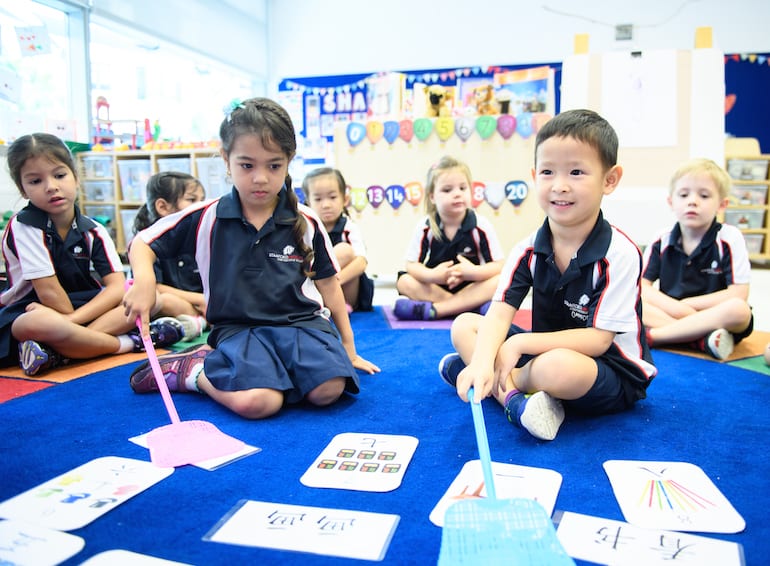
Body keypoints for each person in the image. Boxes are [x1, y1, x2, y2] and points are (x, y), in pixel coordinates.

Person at [123, 97, 380, 420]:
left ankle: (273, 371)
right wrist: (145, 280)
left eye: (274, 166)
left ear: (289, 162)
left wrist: (348, 347)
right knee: (259, 403)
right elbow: (143, 242)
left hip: (302, 324)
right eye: (247, 165)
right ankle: (192, 370)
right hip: (239, 328)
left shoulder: (306, 221)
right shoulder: (207, 216)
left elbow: (329, 285)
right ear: (226, 160)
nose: (260, 178)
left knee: (328, 390)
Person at [438, 109, 657, 441]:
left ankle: (476, 377)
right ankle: (514, 400)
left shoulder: (620, 253)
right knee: (465, 325)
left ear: (609, 180)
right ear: (534, 176)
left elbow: (598, 340)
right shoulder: (527, 248)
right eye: (548, 172)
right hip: (543, 353)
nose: (560, 186)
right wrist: (484, 359)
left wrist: (519, 343)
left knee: (556, 367)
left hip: (607, 371)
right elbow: (499, 313)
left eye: (577, 172)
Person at [0, 134, 184, 376]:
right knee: (38, 322)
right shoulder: (24, 225)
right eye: (35, 181)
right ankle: (127, 343)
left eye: (59, 175)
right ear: (22, 189)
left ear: (75, 177)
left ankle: (58, 352)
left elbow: (116, 287)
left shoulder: (93, 229)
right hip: (34, 308)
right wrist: (63, 323)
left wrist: (70, 323)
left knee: (149, 300)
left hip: (83, 310)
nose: (51, 186)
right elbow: (49, 293)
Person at [641, 158, 753, 360]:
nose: (692, 201)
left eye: (704, 195)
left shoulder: (730, 237)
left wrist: (687, 305)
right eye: (684, 195)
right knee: (632, 300)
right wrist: (675, 307)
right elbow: (642, 286)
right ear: (671, 202)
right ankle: (700, 340)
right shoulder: (661, 238)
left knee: (740, 310)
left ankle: (656, 336)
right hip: (670, 311)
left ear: (722, 205)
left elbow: (738, 293)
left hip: (714, 316)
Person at [393, 156, 504, 320]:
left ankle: (436, 310)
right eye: (447, 190)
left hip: (472, 287)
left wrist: (473, 273)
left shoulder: (481, 226)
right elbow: (411, 265)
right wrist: (433, 275)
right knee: (404, 281)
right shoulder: (425, 227)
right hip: (437, 288)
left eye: (462, 188)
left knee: (500, 280)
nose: (457, 194)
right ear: (432, 197)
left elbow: (499, 266)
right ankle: (469, 308)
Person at [132, 171, 209, 339]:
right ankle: (200, 322)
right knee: (165, 300)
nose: (200, 206)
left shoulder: (199, 236)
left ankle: (200, 322)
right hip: (174, 304)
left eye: (202, 200)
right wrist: (200, 299)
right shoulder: (149, 243)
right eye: (192, 200)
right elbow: (154, 286)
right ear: (163, 207)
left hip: (204, 304)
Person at [302, 167, 374, 313]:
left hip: (345, 290)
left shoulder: (348, 227)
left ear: (345, 199)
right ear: (308, 203)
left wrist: (332, 282)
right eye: (318, 199)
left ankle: (342, 305)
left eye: (333, 197)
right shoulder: (306, 229)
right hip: (317, 289)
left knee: (345, 250)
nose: (326, 205)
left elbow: (361, 262)